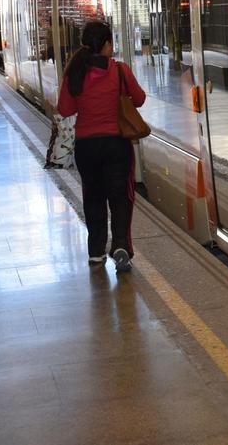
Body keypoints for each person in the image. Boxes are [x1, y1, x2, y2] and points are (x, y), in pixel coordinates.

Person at [56, 21, 146, 272]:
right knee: (120, 197)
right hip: (116, 144)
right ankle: (120, 247)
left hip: (86, 147)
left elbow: (65, 109)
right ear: (107, 44)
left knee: (93, 197)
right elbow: (139, 99)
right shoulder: (119, 70)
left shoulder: (75, 71)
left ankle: (96, 251)